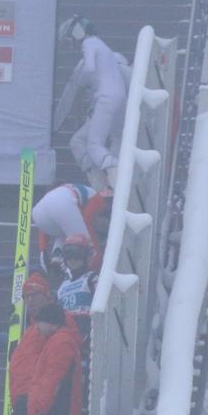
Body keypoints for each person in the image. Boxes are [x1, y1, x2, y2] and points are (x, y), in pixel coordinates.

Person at [52, 16, 129, 186]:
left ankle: (118, 180)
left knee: (94, 146)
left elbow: (89, 69)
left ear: (77, 32)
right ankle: (102, 183)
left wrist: (81, 82)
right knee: (78, 141)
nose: (72, 45)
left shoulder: (89, 44)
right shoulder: (107, 51)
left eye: (70, 40)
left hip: (105, 100)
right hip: (119, 101)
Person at [31, 180, 98, 268]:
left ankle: (57, 257)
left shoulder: (56, 193)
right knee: (87, 245)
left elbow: (46, 227)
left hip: (37, 213)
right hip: (64, 205)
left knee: (65, 234)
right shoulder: (96, 197)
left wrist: (42, 250)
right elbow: (87, 225)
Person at [53, 237, 95, 322]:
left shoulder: (92, 278)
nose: (73, 260)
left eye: (77, 255)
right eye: (69, 256)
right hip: (68, 328)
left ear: (86, 256)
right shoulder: (62, 287)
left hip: (87, 326)